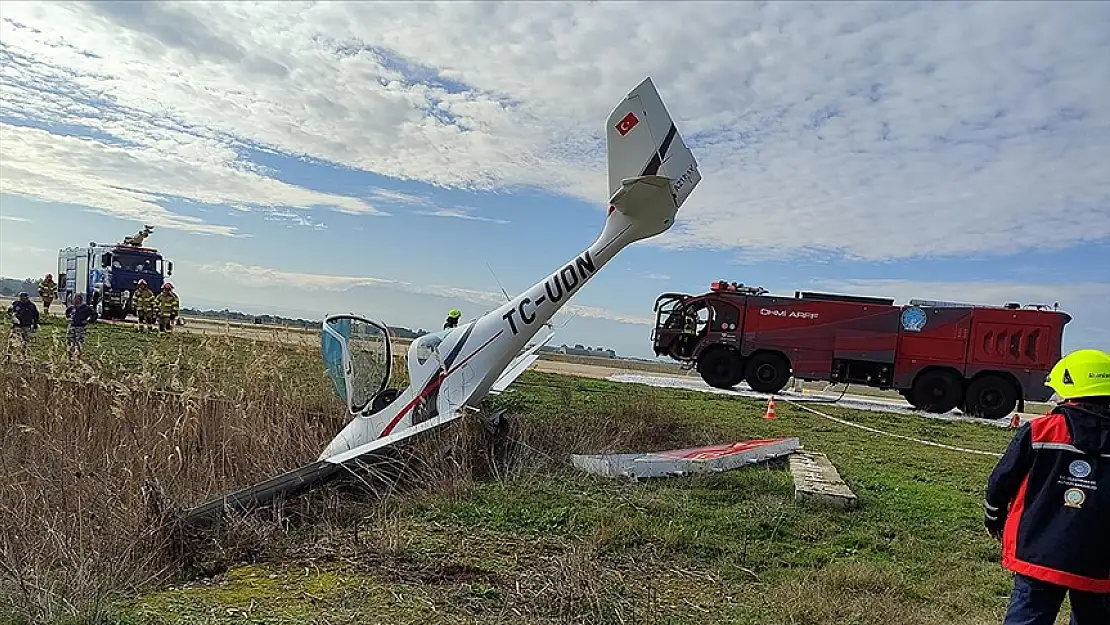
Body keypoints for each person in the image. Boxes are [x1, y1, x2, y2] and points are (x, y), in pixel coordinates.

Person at [985, 348, 1110, 625]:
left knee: (1028, 616)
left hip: (1038, 551)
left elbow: (1001, 481)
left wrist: (994, 518)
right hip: (1099, 559)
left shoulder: (1040, 430)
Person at [6, 292, 39, 363]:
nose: (22, 299)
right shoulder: (16, 303)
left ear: (27, 297)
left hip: (26, 327)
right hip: (16, 327)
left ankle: (23, 358)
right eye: (20, 297)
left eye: (23, 297)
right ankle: (8, 358)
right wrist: (12, 316)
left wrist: (35, 325)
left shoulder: (32, 306)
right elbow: (9, 311)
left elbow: (36, 316)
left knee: (24, 343)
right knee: (11, 342)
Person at [64, 293, 97, 361]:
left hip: (80, 328)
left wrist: (88, 321)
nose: (74, 301)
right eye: (74, 299)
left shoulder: (86, 308)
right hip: (71, 327)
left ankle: (78, 359)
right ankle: (69, 358)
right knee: (69, 343)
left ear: (80, 300)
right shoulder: (72, 307)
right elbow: (67, 313)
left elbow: (95, 315)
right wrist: (68, 317)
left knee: (79, 343)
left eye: (76, 299)